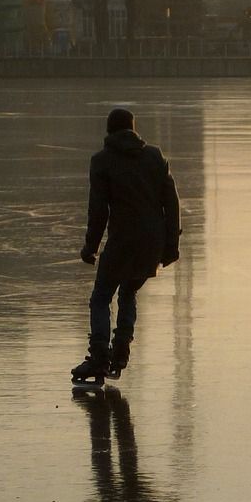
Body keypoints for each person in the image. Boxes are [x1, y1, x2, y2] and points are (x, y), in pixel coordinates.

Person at [72, 107, 181, 384]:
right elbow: (171, 202)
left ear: (109, 131)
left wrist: (90, 247)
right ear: (134, 129)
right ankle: (120, 351)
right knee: (129, 291)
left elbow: (99, 211)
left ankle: (99, 357)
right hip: (151, 243)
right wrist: (171, 245)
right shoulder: (155, 157)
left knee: (101, 296)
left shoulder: (102, 161)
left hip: (122, 241)